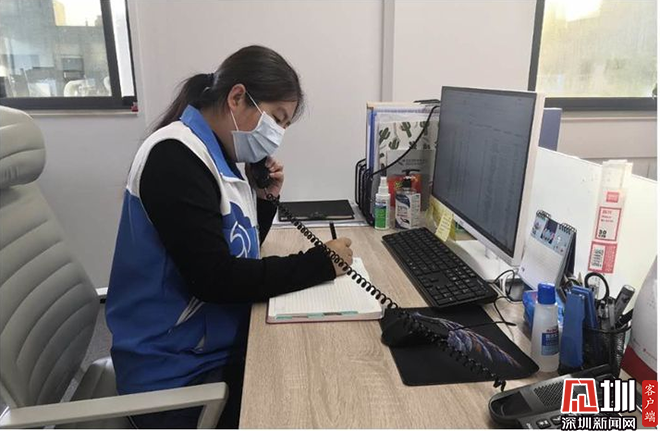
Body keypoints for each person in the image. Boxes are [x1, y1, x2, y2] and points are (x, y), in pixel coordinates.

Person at [105, 45, 354, 429]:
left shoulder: (219, 155)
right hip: (173, 377)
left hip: (206, 350)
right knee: (315, 402)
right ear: (237, 97)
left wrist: (265, 198)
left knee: (321, 368)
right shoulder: (175, 159)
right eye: (277, 118)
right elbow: (216, 278)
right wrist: (320, 262)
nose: (278, 135)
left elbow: (241, 248)